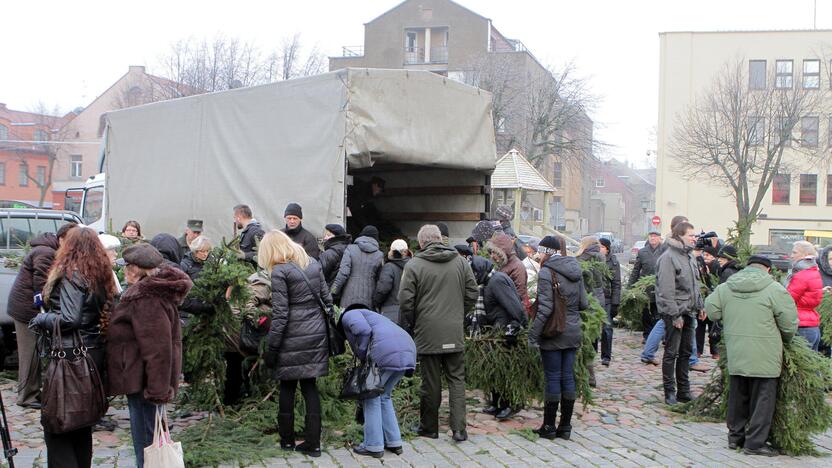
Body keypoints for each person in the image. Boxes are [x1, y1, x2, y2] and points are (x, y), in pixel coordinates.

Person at [28, 227, 118, 468]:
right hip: (91, 354)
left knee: (58, 424)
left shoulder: (73, 274)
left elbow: (69, 319)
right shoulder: (99, 274)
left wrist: (41, 319)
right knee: (81, 423)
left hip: (71, 357)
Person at [106, 243, 192, 468]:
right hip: (146, 380)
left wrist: (157, 391)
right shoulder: (153, 292)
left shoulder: (145, 298)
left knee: (147, 447)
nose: (124, 271)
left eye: (127, 267)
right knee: (149, 442)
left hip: (145, 383)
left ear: (136, 269)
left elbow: (158, 349)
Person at [705, 256, 798, 457]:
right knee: (763, 399)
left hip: (736, 350)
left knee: (738, 395)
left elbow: (711, 311)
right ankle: (755, 443)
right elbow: (789, 323)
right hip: (766, 353)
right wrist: (787, 339)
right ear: (767, 269)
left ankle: (735, 437)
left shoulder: (726, 287)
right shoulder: (774, 289)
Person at [399, 225, 478, 442]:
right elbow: (473, 291)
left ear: (422, 243)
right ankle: (459, 429)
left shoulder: (414, 265)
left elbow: (405, 301)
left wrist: (415, 321)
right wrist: (459, 313)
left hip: (427, 331)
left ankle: (429, 427)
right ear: (440, 239)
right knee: (457, 380)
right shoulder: (460, 262)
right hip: (454, 330)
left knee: (430, 382)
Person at [260, 230, 332, 458]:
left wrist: (272, 348)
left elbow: (281, 314)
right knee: (310, 386)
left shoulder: (280, 271)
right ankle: (314, 444)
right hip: (316, 333)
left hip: (292, 334)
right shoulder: (312, 263)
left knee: (287, 386)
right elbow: (327, 299)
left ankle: (287, 441)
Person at [7, 222, 77, 409]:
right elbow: (43, 284)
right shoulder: (45, 253)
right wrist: (51, 308)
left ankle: (32, 392)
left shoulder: (48, 250)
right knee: (29, 354)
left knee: (35, 353)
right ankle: (26, 397)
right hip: (26, 310)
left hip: (29, 309)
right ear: (61, 239)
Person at [339, 306, 417, 458]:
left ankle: (373, 445)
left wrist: (362, 354)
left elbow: (363, 331)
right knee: (384, 396)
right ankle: (394, 442)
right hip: (407, 349)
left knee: (371, 397)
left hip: (386, 352)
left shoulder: (349, 314)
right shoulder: (375, 317)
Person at [529, 235, 585, 441]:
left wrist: (533, 335)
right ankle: (566, 427)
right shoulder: (575, 269)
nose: (537, 254)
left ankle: (549, 427)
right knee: (567, 376)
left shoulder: (546, 272)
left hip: (554, 331)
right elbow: (584, 304)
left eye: (540, 251)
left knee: (553, 377)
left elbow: (545, 309)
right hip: (572, 330)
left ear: (547, 252)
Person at [655, 221, 703, 405]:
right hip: (674, 312)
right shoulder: (669, 257)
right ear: (679, 236)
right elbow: (666, 290)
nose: (694, 238)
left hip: (690, 311)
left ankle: (684, 390)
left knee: (685, 353)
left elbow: (694, 285)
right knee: (671, 353)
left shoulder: (689, 256)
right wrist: (674, 315)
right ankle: (669, 392)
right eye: (691, 235)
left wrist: (700, 305)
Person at [331, 225, 384, 309]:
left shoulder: (350, 249)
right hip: (368, 300)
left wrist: (333, 292)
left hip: (348, 298)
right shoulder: (379, 255)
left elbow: (343, 273)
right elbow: (380, 280)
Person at [576, 236, 605, 386]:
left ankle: (587, 376)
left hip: (587, 301)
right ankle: (590, 375)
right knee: (592, 339)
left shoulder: (582, 260)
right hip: (598, 301)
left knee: (583, 341)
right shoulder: (601, 258)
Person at [786, 241, 824, 351]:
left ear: (805, 254)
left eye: (795, 252)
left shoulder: (801, 275)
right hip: (812, 325)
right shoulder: (813, 271)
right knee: (813, 365)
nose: (791, 255)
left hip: (801, 326)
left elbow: (787, 299)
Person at [629, 228, 663, 342]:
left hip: (660, 287)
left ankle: (659, 336)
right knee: (646, 313)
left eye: (655, 236)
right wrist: (630, 287)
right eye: (651, 236)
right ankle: (647, 335)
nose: (653, 238)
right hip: (645, 288)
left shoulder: (665, 251)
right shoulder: (642, 252)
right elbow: (636, 270)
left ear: (659, 238)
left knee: (659, 313)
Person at [487, 233, 530, 315]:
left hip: (515, 311)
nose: (492, 256)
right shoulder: (504, 264)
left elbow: (519, 294)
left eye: (494, 252)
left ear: (502, 252)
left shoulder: (517, 267)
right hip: (506, 309)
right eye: (491, 252)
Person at [373, 239, 411, 324]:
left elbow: (383, 288)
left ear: (393, 252)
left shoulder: (389, 267)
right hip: (408, 314)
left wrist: (375, 302)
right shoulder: (413, 267)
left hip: (390, 313)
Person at [598, 238, 621, 367]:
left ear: (607, 248)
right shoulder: (593, 259)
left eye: (601, 246)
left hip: (607, 299)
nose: (599, 249)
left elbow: (617, 284)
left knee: (607, 329)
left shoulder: (613, 262)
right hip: (595, 298)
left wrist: (615, 303)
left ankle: (606, 356)